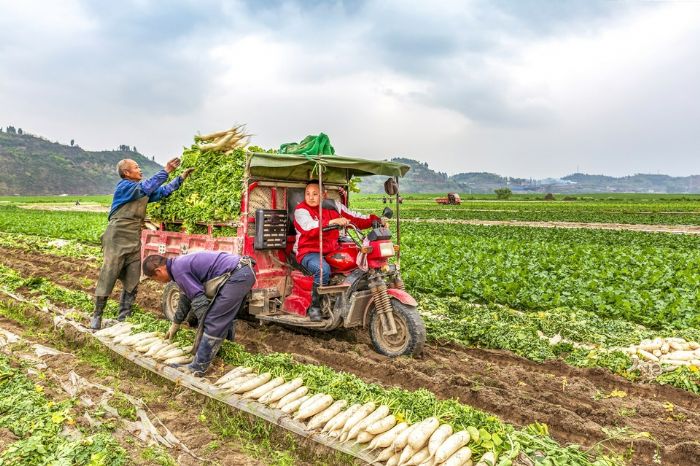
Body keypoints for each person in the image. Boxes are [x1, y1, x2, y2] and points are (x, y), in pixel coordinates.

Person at [90, 158, 193, 330]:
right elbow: (146, 187)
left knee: (132, 278)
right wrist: (166, 170)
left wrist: (180, 178)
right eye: (136, 168)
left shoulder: (141, 191)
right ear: (127, 173)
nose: (140, 170)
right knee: (109, 274)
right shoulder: (125, 187)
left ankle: (124, 318)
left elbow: (162, 191)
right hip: (117, 236)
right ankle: (97, 316)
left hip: (133, 238)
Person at [142, 251, 256, 376]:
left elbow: (199, 301)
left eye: (155, 279)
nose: (159, 282)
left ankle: (198, 366)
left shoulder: (178, 270)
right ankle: (222, 350)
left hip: (238, 275)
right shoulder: (177, 266)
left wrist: (206, 327)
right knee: (224, 316)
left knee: (214, 319)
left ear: (158, 271)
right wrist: (176, 323)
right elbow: (185, 297)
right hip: (242, 271)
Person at [293, 181, 381, 321]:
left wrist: (376, 220)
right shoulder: (301, 210)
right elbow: (308, 227)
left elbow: (355, 218)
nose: (311, 197)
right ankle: (315, 307)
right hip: (308, 252)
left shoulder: (334, 207)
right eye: (308, 194)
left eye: (315, 194)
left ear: (324, 194)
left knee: (356, 263)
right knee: (323, 270)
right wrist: (331, 222)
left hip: (331, 249)